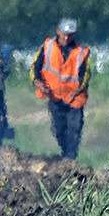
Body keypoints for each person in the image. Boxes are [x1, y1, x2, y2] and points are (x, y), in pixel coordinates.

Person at [30, 17, 91, 159]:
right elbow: (34, 68)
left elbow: (85, 76)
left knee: (74, 130)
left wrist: (75, 92)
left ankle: (70, 159)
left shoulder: (82, 52)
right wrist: (38, 82)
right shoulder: (47, 46)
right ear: (58, 31)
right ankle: (65, 154)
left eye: (70, 35)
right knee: (59, 130)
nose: (66, 38)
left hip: (74, 99)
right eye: (64, 34)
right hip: (54, 97)